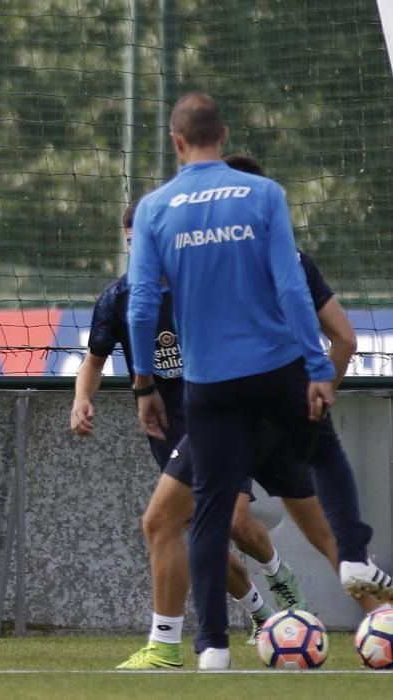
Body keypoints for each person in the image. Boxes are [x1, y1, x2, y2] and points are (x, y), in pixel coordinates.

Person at [127, 92, 390, 670]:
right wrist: (319, 375)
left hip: (213, 391)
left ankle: (205, 648)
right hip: (279, 380)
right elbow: (317, 313)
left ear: (177, 142)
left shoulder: (155, 210)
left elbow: (141, 304)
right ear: (222, 134)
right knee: (321, 475)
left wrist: (144, 384)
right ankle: (357, 568)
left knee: (197, 515)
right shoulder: (267, 203)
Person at [71, 196, 310, 670]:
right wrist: (82, 399)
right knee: (189, 528)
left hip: (221, 417)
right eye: (133, 243)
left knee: (234, 524)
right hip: (169, 429)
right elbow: (93, 362)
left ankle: (281, 583)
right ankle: (264, 618)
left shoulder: (204, 283)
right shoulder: (119, 298)